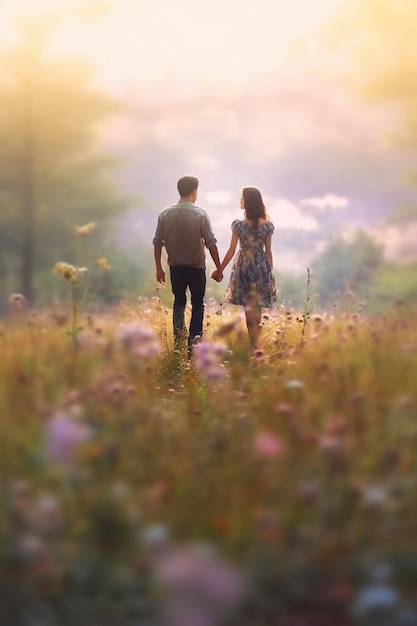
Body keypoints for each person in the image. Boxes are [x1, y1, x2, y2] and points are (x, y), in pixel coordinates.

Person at [153, 175, 222, 353]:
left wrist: (159, 268)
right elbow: (211, 243)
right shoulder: (200, 213)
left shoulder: (165, 213)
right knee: (198, 304)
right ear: (194, 192)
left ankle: (178, 343)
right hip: (196, 267)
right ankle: (194, 345)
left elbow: (157, 242)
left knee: (179, 303)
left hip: (175, 267)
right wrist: (219, 267)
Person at [212, 186, 276, 349]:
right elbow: (268, 252)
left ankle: (254, 345)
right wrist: (269, 273)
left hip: (244, 267)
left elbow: (231, 250)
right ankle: (255, 345)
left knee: (249, 305)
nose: (240, 200)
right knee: (257, 305)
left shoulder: (239, 225)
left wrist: (220, 269)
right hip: (261, 266)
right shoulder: (267, 225)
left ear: (248, 201)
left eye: (242, 197)